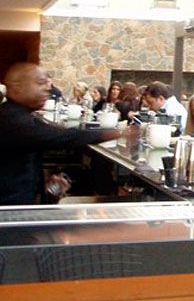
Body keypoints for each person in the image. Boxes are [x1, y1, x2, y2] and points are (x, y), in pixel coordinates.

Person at [0, 63, 134, 205]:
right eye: (40, 83)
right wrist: (119, 133)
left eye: (47, 83)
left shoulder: (20, 115)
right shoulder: (13, 120)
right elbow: (64, 136)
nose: (48, 88)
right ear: (17, 87)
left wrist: (43, 183)